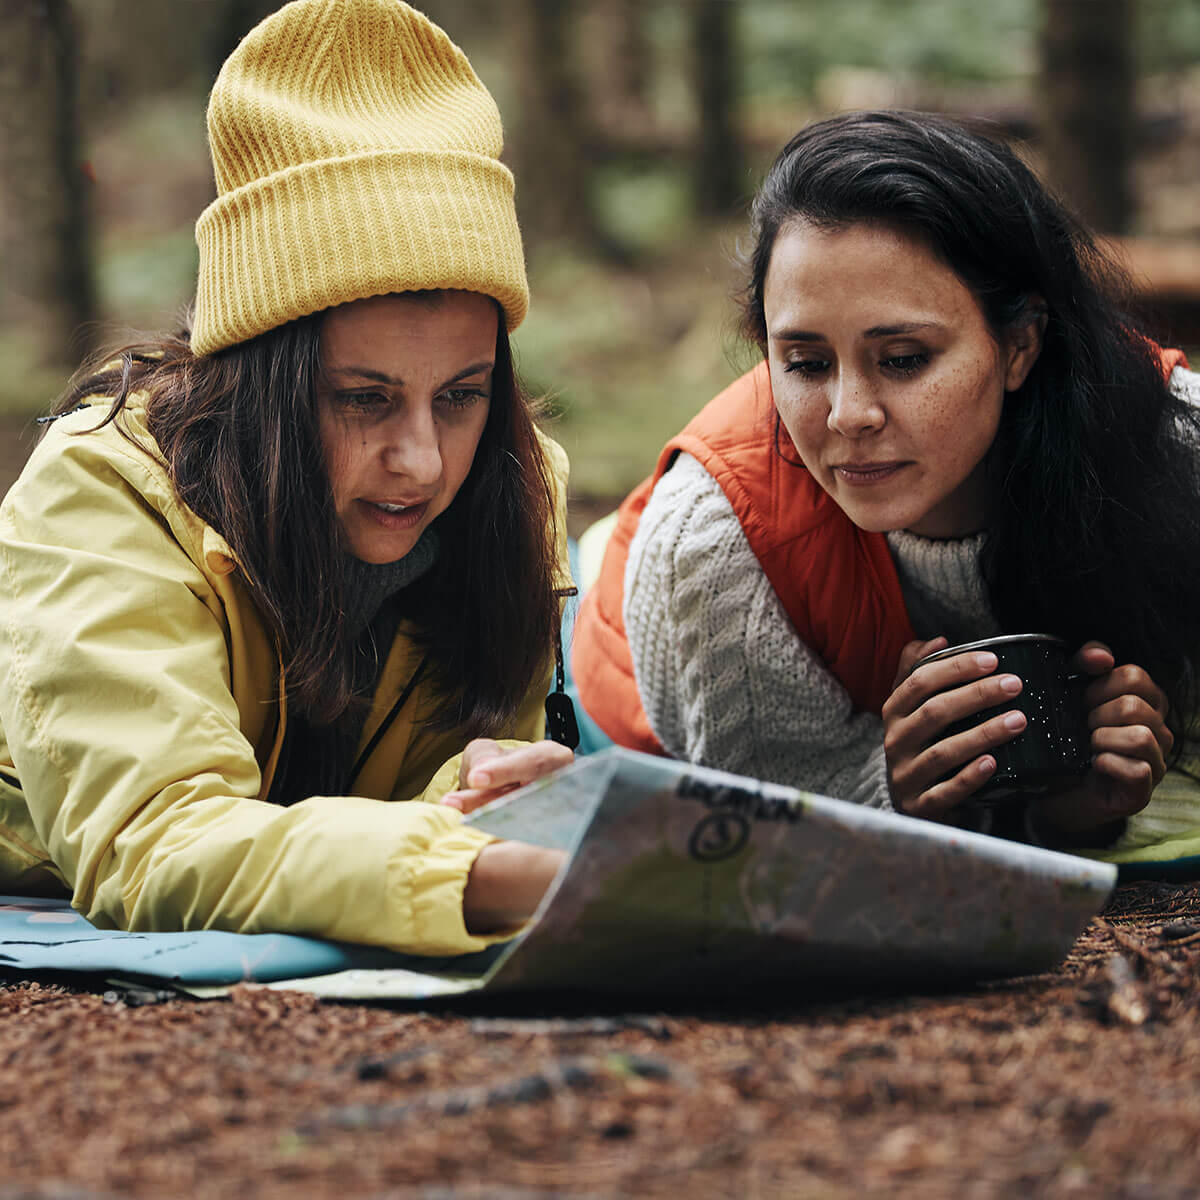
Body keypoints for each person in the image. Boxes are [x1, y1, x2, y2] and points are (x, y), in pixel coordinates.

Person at [0, 0, 578, 953]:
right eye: (362, 398)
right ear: (264, 382)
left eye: (462, 395)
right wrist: (480, 871)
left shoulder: (512, 489)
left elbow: (436, 802)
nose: (423, 461)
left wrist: (480, 795)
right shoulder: (100, 491)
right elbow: (155, 840)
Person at [573, 110, 1200, 865]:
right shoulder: (715, 545)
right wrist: (884, 789)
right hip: (643, 650)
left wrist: (1080, 810)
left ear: (1021, 344)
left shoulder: (1173, 449)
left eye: (902, 358)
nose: (849, 416)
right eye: (804, 363)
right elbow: (756, 841)